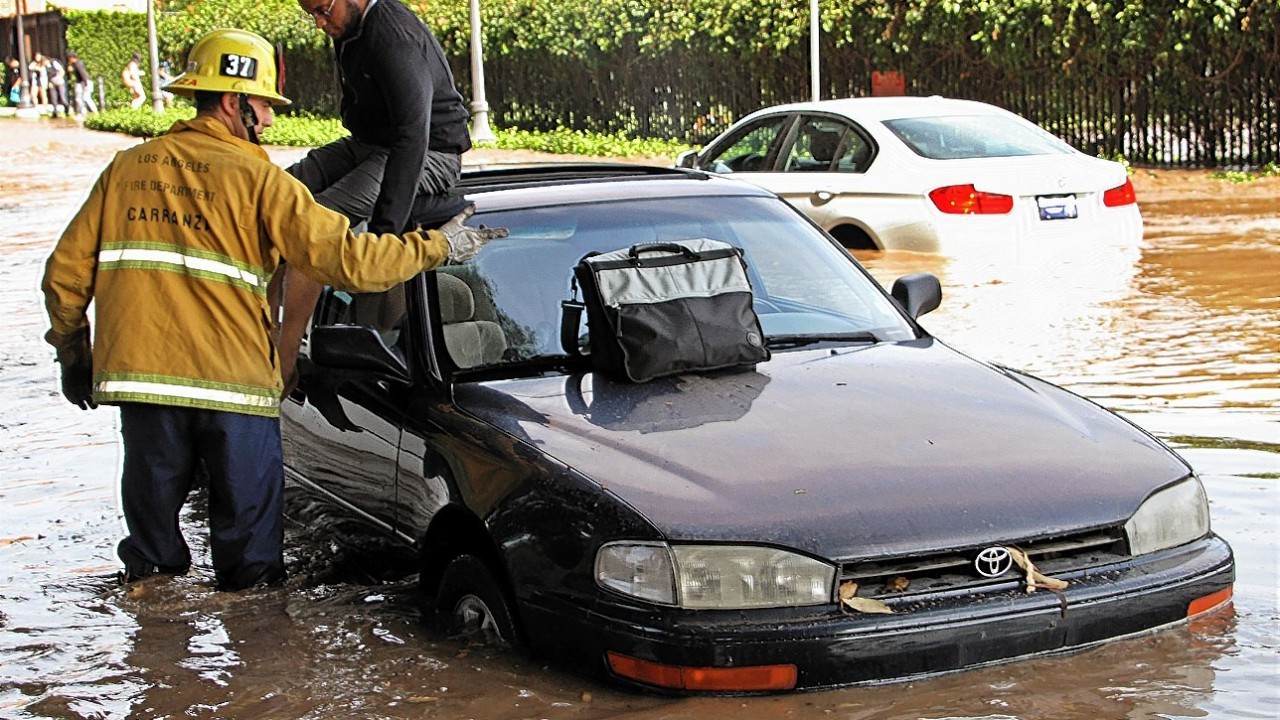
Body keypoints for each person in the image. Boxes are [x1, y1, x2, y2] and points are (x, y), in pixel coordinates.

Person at [40, 28, 505, 592]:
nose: (269, 118)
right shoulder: (260, 181)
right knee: (252, 572)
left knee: (152, 568)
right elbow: (349, 262)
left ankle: (156, 663)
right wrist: (438, 247)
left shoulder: (126, 170)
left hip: (144, 389)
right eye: (263, 104)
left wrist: (74, 356)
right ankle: (256, 662)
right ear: (235, 102)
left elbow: (64, 278)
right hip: (234, 389)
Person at [277, 0, 474, 392]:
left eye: (322, 10)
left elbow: (412, 136)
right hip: (367, 144)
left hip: (430, 152)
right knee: (276, 195)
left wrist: (386, 234)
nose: (319, 23)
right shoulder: (349, 27)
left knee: (313, 223)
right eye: (310, 14)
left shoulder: (391, 34)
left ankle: (283, 359)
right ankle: (259, 329)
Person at [67, 52, 98, 116]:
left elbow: (83, 74)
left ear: (72, 58)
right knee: (81, 98)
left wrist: (85, 83)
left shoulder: (78, 64)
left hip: (85, 82)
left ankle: (94, 111)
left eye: (69, 58)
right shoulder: (77, 63)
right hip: (83, 82)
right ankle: (84, 112)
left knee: (86, 98)